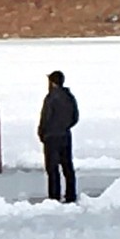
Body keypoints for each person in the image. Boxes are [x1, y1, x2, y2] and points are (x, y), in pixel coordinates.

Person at [38, 70, 79, 203]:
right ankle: (70, 194)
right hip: (65, 135)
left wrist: (42, 132)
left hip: (51, 137)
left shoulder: (50, 98)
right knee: (67, 166)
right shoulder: (69, 97)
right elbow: (75, 117)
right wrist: (65, 126)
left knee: (52, 167)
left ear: (52, 82)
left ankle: (54, 196)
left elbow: (46, 117)